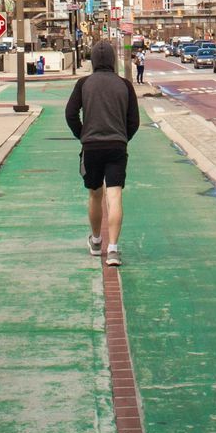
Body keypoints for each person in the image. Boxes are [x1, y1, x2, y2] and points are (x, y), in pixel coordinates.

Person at [64, 40, 140, 268]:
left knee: (95, 194)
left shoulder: (83, 84)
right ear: (113, 61)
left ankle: (96, 241)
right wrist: (123, 137)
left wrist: (83, 135)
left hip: (91, 146)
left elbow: (70, 114)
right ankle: (114, 249)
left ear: (93, 61)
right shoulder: (125, 85)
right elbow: (134, 121)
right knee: (114, 195)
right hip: (117, 145)